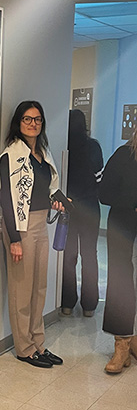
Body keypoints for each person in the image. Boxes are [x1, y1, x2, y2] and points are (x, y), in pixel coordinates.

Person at [0, 100, 64, 368]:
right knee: (22, 290)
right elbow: (6, 200)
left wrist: (57, 200)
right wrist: (14, 240)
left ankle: (39, 343)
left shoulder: (43, 155)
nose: (33, 124)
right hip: (20, 227)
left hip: (40, 225)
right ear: (19, 122)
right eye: (27, 119)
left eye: (37, 119)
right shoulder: (10, 156)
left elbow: (45, 191)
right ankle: (24, 348)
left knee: (39, 287)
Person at [99, 130, 137, 374]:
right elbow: (104, 193)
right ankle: (121, 344)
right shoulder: (123, 155)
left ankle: (133, 340)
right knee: (121, 283)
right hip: (122, 224)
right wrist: (133, 203)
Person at [61, 109, 103, 317]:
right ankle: (89, 305)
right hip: (90, 208)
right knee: (90, 255)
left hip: (67, 208)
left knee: (68, 256)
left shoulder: (62, 146)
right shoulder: (93, 146)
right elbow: (99, 178)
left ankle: (66, 303)